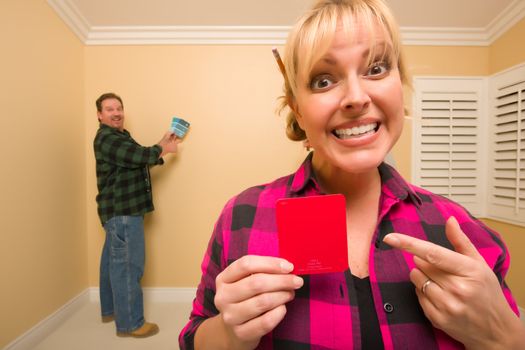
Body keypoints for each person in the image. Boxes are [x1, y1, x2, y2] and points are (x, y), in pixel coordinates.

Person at [179, 0, 525, 349]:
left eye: (376, 69)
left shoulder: (459, 230)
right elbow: (193, 339)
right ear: (298, 111)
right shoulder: (241, 216)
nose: (356, 98)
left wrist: (505, 337)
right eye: (323, 80)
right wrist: (228, 332)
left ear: (399, 85)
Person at [94, 92, 180, 337]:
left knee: (112, 263)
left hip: (119, 211)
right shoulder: (106, 138)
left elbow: (136, 160)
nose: (116, 112)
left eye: (119, 108)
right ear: (100, 115)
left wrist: (162, 144)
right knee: (128, 266)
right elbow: (139, 156)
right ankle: (131, 323)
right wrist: (161, 148)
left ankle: (111, 310)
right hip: (123, 211)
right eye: (109, 109)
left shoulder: (120, 137)